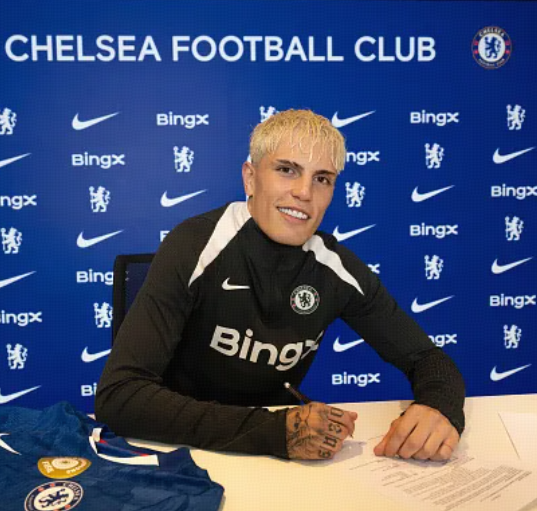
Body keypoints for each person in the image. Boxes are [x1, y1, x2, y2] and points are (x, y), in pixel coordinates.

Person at [95, 109, 465, 461]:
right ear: (250, 178)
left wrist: (439, 408)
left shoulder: (335, 267)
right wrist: (274, 431)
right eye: (287, 170)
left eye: (322, 179)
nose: (304, 192)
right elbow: (119, 397)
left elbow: (427, 359)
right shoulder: (195, 245)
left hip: (276, 459)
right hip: (182, 452)